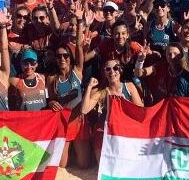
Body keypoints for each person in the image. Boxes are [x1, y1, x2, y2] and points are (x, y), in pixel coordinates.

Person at [46, 12, 90, 169]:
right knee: (62, 165)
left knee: (83, 164)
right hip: (62, 121)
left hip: (77, 119)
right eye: (59, 57)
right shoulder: (52, 78)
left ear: (70, 58)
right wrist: (51, 102)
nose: (62, 59)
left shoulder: (77, 71)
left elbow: (78, 45)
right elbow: (50, 99)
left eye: (65, 56)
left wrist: (79, 22)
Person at [81, 60, 144, 162]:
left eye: (115, 68)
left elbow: (140, 110)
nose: (112, 72)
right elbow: (84, 110)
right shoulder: (103, 91)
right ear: (104, 72)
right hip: (108, 128)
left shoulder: (129, 86)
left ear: (120, 70)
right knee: (103, 163)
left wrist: (126, 105)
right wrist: (89, 87)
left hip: (126, 127)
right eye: (108, 69)